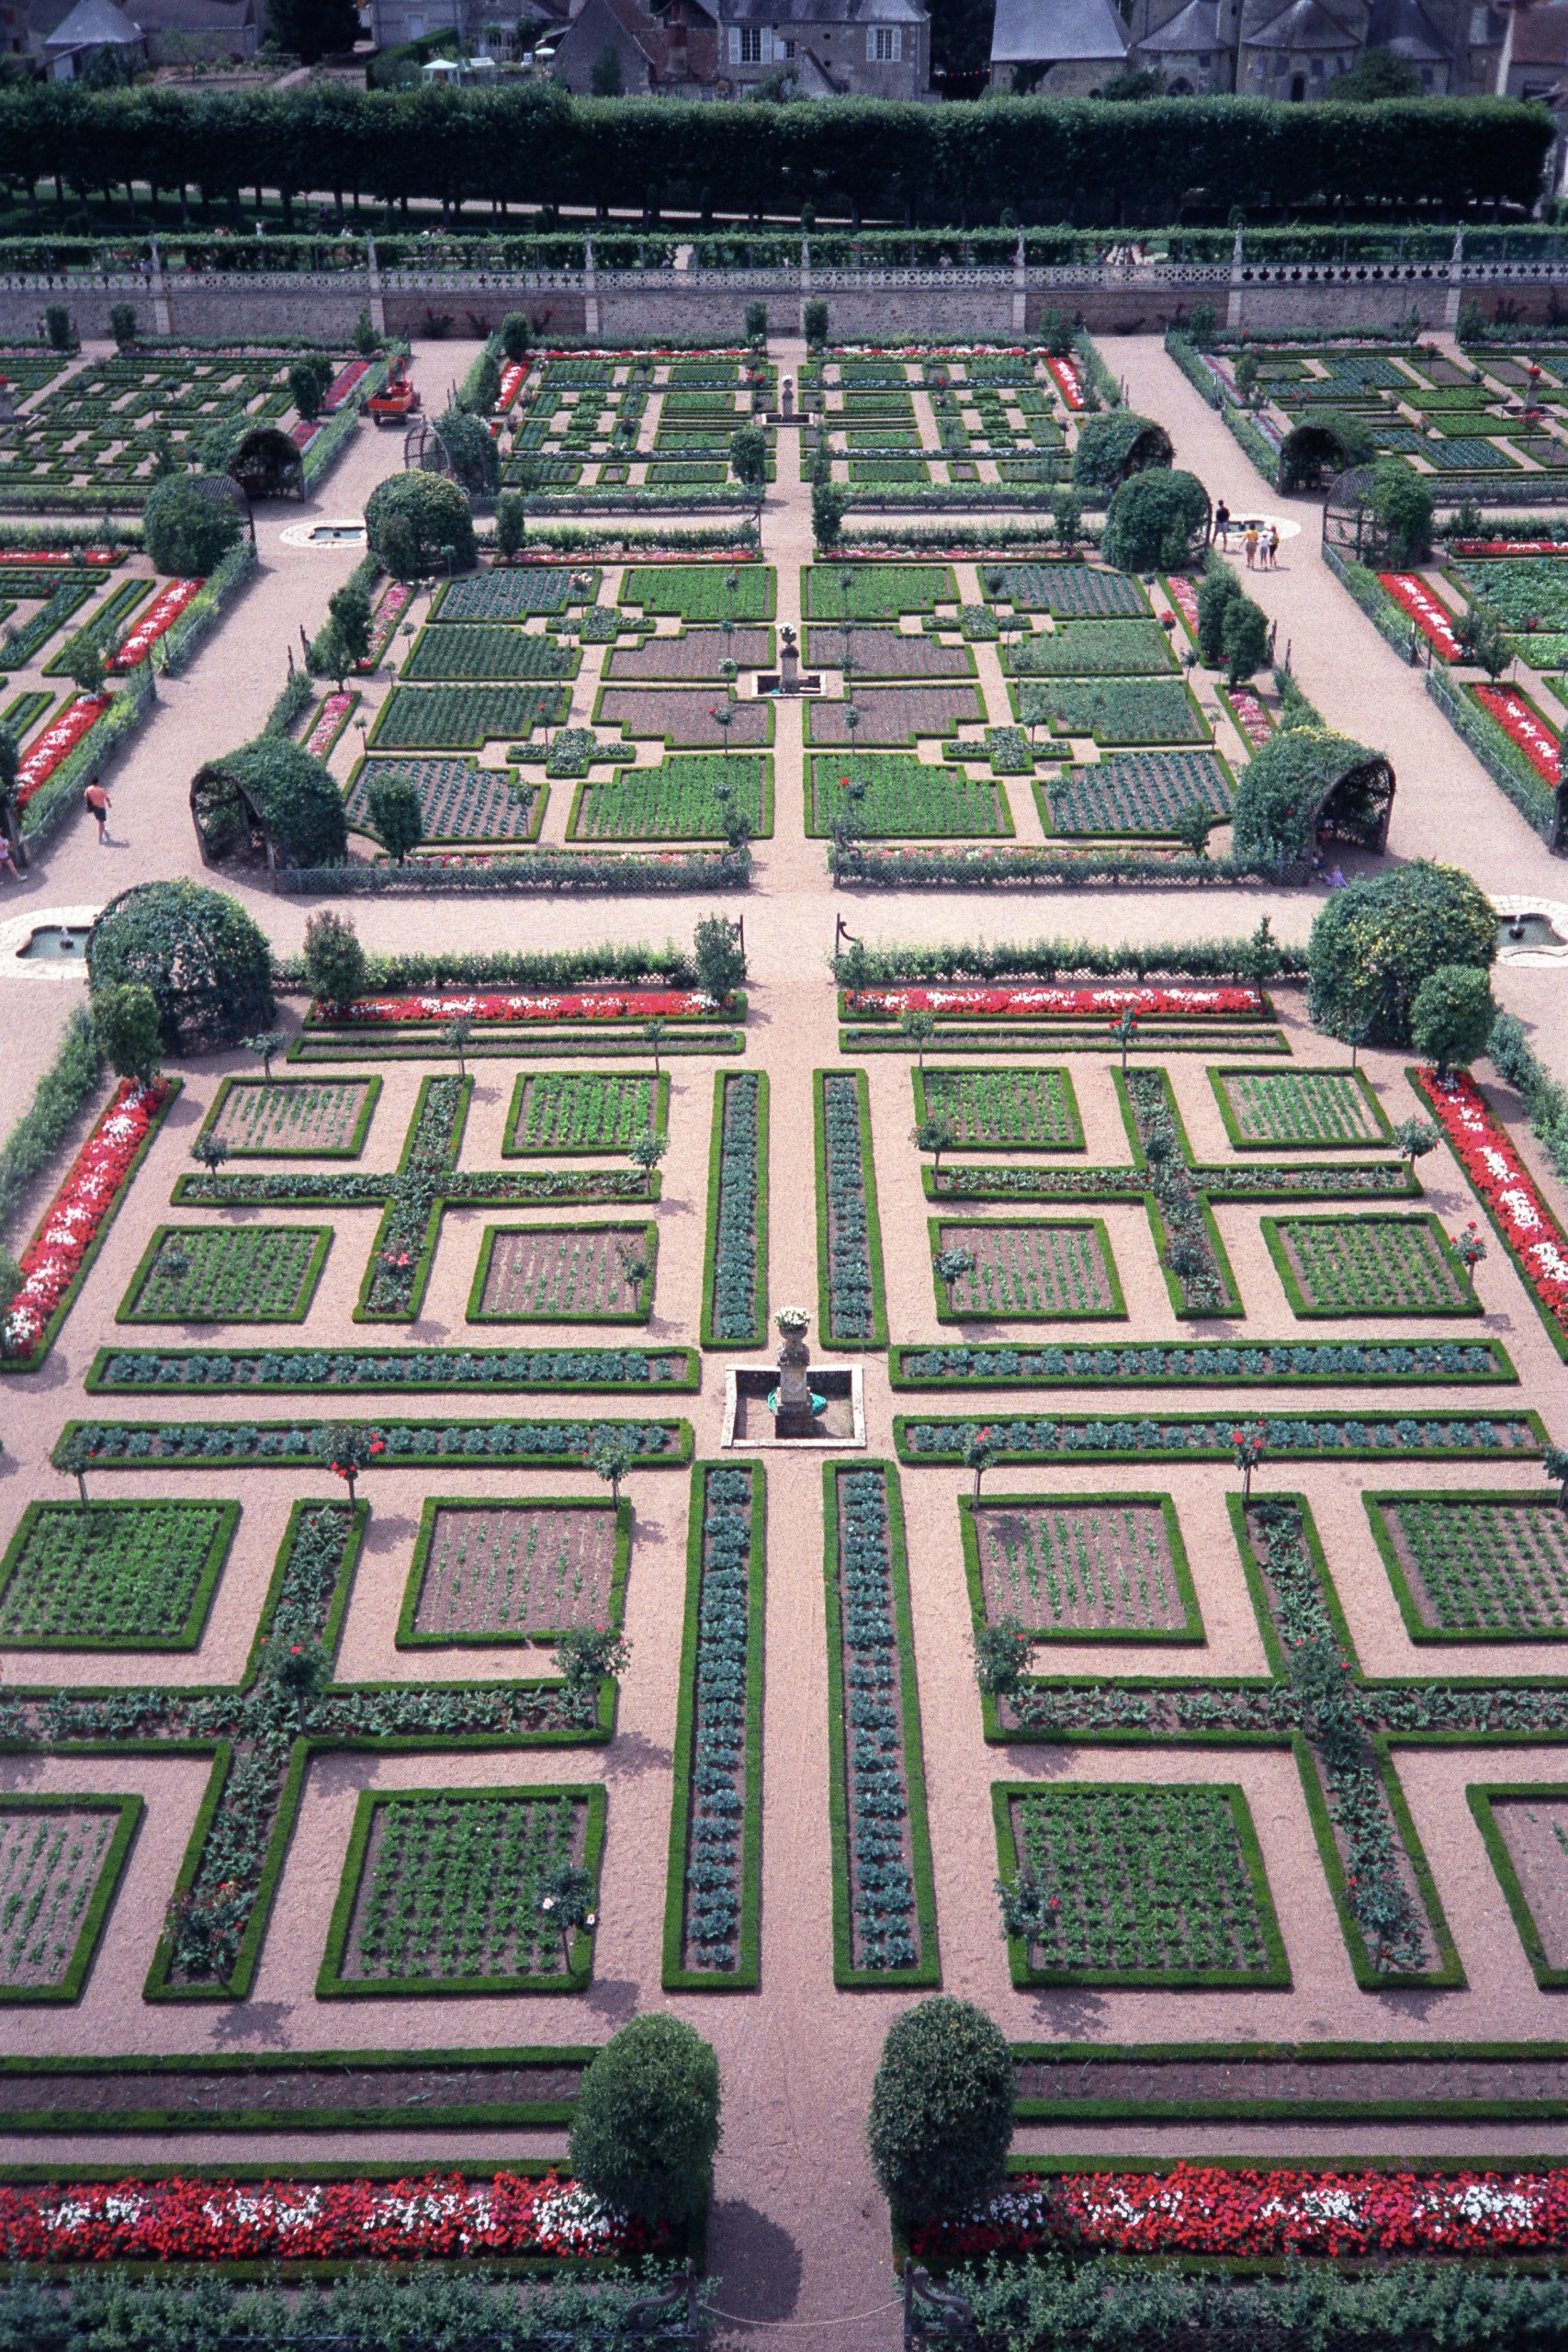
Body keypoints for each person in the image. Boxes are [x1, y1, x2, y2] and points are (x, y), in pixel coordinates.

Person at [84, 777, 111, 843]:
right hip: (101, 808)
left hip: (94, 807)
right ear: (97, 782)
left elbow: (85, 796)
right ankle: (100, 838)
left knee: (100, 820)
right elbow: (107, 798)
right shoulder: (101, 790)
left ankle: (104, 830)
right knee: (100, 822)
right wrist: (109, 803)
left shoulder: (88, 789)